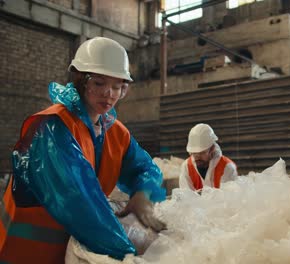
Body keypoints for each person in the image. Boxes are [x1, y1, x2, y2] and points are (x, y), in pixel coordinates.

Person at [0, 37, 167, 263]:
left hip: (69, 250)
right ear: (81, 81)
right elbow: (79, 203)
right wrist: (128, 255)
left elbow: (144, 167)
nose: (109, 93)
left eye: (118, 86)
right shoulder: (53, 127)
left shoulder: (115, 132)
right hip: (25, 251)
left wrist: (142, 194)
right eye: (99, 83)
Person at [179, 123, 238, 191]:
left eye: (202, 153)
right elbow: (185, 198)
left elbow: (228, 198)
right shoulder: (186, 167)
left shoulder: (227, 167)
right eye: (194, 153)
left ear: (212, 149)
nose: (197, 157)